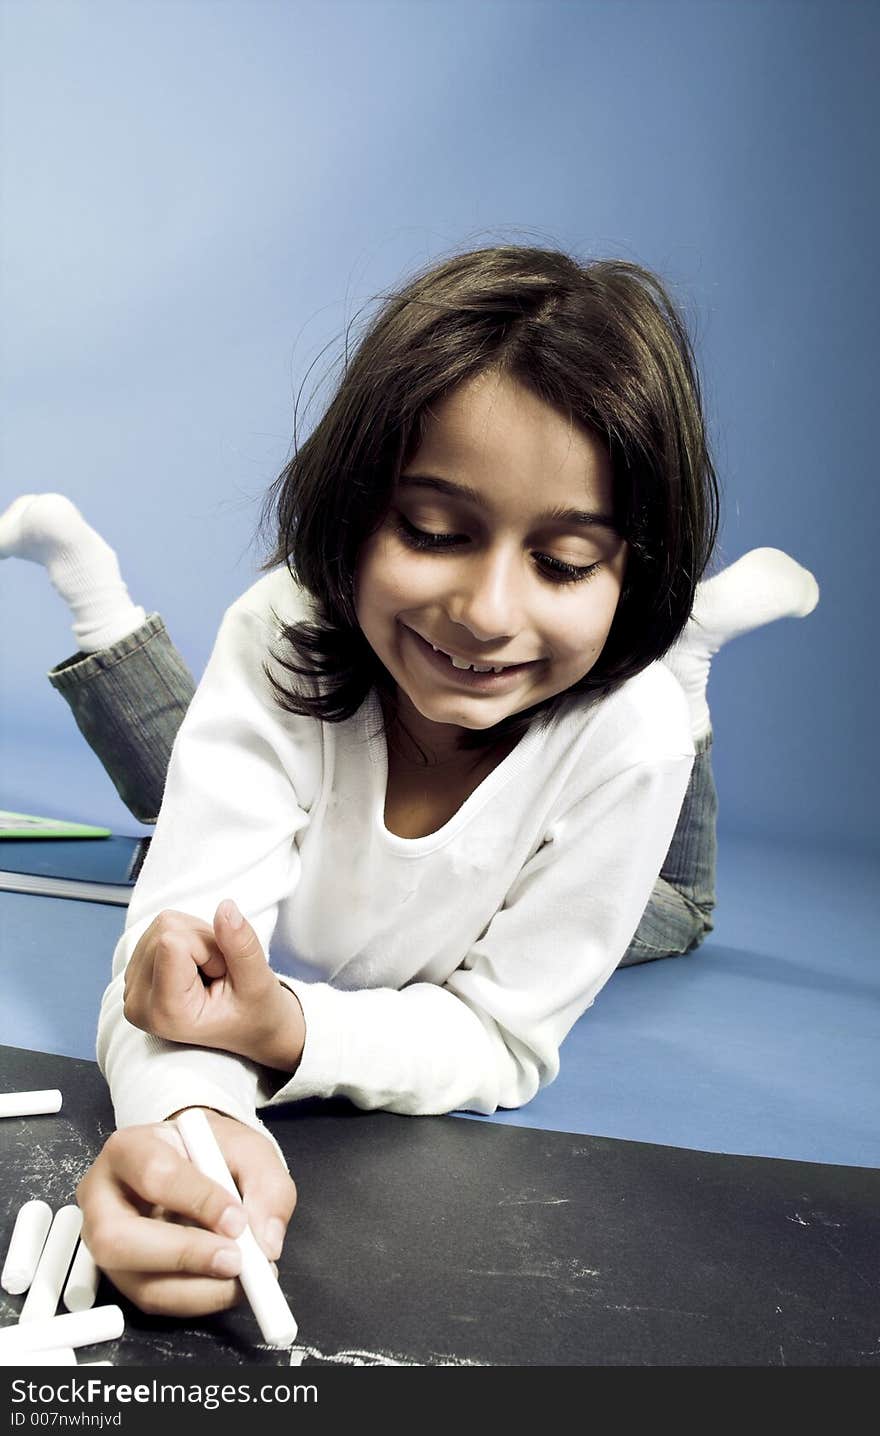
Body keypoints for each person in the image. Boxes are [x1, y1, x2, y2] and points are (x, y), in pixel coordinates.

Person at [0, 246, 819, 1322]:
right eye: (434, 533)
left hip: (619, 740)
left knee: (676, 911)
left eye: (566, 561)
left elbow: (500, 1039)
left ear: (632, 565)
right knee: (171, 793)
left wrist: (286, 1029)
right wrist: (193, 1121)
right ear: (350, 511)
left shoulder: (632, 738)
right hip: (328, 787)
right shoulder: (286, 627)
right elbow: (170, 971)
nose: (484, 612)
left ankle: (685, 642)